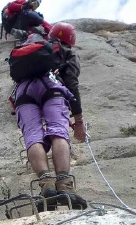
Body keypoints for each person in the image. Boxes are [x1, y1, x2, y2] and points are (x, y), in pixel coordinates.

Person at [13, 22, 87, 210]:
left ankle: (46, 185)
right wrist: (78, 120)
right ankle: (64, 185)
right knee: (57, 132)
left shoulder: (33, 45)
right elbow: (71, 82)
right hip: (52, 86)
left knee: (32, 135)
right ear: (71, 40)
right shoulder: (66, 52)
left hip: (23, 91)